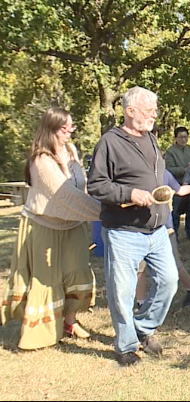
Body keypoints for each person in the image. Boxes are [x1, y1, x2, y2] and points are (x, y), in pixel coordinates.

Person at [87, 86, 178, 366]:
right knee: (122, 291)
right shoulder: (109, 142)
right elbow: (96, 185)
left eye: (154, 109)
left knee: (169, 282)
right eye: (148, 110)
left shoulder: (151, 138)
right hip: (124, 231)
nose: (154, 115)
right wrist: (130, 195)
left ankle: (144, 328)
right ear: (130, 112)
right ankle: (126, 346)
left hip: (157, 229)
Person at [1, 107, 101, 350]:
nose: (69, 132)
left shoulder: (71, 150)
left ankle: (69, 321)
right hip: (45, 225)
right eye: (64, 128)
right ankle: (40, 333)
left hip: (73, 225)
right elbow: (64, 195)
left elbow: (80, 187)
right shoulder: (41, 160)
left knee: (76, 271)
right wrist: (105, 212)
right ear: (51, 128)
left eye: (71, 126)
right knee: (47, 279)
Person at [136, 169, 190, 309]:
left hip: (164, 229)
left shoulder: (162, 172)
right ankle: (141, 302)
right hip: (139, 228)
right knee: (139, 268)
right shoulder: (133, 172)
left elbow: (180, 190)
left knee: (174, 264)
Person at [165, 127, 190, 241]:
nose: (183, 139)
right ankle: (174, 233)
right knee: (176, 211)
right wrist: (184, 169)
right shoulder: (170, 151)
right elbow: (169, 168)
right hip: (177, 184)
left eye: (185, 137)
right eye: (181, 137)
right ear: (176, 138)